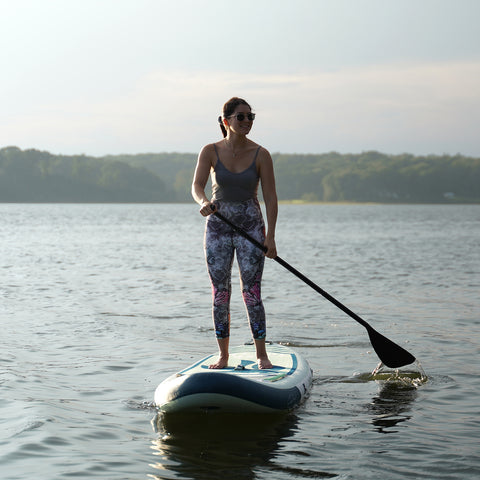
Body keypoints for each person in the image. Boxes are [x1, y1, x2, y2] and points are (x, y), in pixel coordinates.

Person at [191, 97, 278, 369]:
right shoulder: (210, 151)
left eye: (251, 116)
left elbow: (272, 199)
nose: (247, 121)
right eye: (241, 117)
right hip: (218, 226)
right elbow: (196, 186)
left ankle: (261, 354)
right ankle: (223, 355)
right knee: (220, 293)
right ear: (226, 120)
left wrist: (271, 236)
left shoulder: (261, 154)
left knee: (251, 292)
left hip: (251, 226)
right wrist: (203, 202)